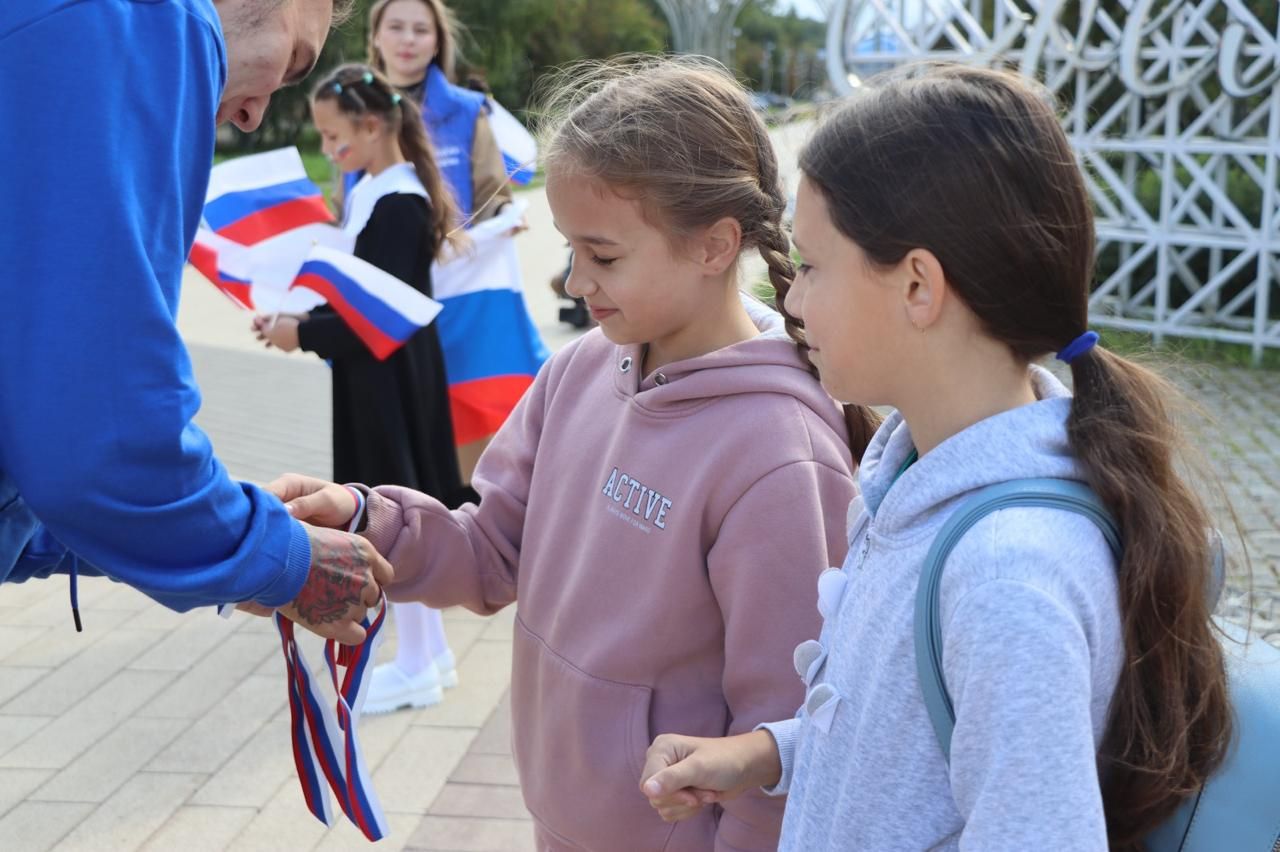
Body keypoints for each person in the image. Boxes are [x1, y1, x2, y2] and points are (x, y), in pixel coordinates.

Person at [269, 56, 880, 850]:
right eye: (569, 248)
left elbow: (781, 740)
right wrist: (364, 518)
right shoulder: (582, 365)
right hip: (562, 818)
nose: (573, 279)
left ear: (714, 245)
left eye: (604, 255)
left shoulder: (778, 456)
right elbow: (491, 549)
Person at [639, 63, 1233, 851]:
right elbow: (909, 735)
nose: (792, 299)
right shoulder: (919, 471)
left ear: (918, 286)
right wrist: (765, 753)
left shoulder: (1006, 574)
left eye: (813, 266)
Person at [0, 0, 392, 645]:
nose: (252, 113)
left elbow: (40, 450)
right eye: (292, 60)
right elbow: (99, 444)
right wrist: (277, 558)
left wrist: (216, 543)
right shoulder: (152, 17)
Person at [254, 65, 467, 709]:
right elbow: (357, 300)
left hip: (388, 378)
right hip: (379, 373)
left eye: (332, 135)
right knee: (393, 505)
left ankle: (419, 662)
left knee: (392, 510)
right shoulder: (378, 189)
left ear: (373, 126)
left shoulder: (398, 201)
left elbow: (374, 313)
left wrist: (304, 332)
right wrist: (298, 322)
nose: (327, 150)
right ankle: (428, 655)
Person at [361, 0, 548, 713]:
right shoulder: (362, 106)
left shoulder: (467, 110)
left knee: (467, 477)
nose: (407, 39)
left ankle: (441, 648)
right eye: (395, 25)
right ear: (375, 35)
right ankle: (424, 653)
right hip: (389, 319)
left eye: (420, 27)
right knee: (405, 473)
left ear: (438, 40)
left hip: (467, 319)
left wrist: (461, 240)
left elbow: (505, 197)